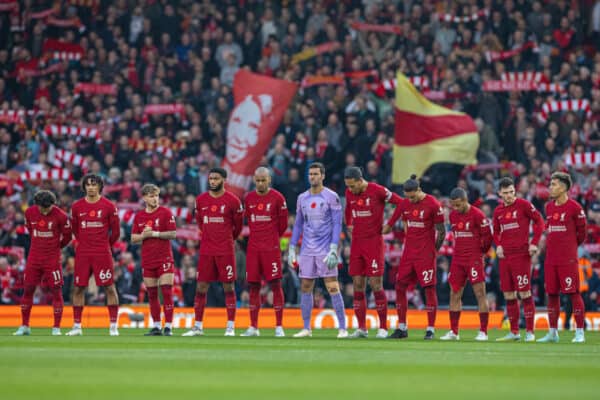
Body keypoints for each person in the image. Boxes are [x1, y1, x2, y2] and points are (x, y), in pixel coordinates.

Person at [288, 162, 348, 338]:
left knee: (332, 286)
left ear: (323, 176)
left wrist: (333, 248)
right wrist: (292, 246)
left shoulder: (332, 196)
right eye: (310, 174)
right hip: (307, 249)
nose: (312, 177)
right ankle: (306, 328)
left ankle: (343, 328)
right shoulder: (302, 198)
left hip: (325, 249)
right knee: (306, 287)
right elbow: (298, 224)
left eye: (315, 174)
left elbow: (337, 223)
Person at [344, 166, 404, 339]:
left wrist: (390, 224)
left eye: (353, 186)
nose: (351, 190)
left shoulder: (377, 191)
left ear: (360, 180)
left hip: (374, 244)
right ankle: (361, 328)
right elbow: (348, 208)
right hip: (357, 244)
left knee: (376, 285)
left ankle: (383, 328)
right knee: (357, 286)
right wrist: (348, 223)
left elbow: (401, 203)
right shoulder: (350, 193)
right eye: (348, 187)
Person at [183, 167, 243, 336]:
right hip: (207, 250)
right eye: (211, 179)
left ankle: (230, 326)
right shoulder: (201, 200)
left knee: (228, 286)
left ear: (224, 180)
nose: (213, 182)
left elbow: (237, 227)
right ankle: (198, 327)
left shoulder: (233, 201)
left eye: (216, 179)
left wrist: (227, 239)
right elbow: (200, 223)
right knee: (201, 287)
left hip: (225, 250)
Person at [390, 174, 445, 340]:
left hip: (425, 254)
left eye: (412, 196)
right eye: (407, 196)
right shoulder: (406, 203)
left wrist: (434, 250)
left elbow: (441, 231)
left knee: (429, 288)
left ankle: (430, 329)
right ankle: (402, 327)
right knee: (400, 286)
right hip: (409, 253)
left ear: (419, 190)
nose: (410, 200)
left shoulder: (433, 204)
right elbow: (406, 222)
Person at [67, 174, 121, 336]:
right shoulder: (76, 206)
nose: (91, 187)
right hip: (83, 252)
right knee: (78, 288)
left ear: (100, 186)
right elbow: (75, 230)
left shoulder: (109, 206)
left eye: (94, 184)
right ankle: (77, 326)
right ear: (84, 187)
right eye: (88, 184)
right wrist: (83, 243)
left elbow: (116, 232)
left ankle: (113, 327)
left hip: (102, 252)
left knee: (109, 287)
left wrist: (105, 246)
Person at [492, 176, 544, 342]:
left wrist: (534, 242)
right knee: (508, 294)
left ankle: (530, 332)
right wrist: (498, 245)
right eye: (506, 192)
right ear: (500, 193)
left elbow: (540, 222)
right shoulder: (498, 211)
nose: (509, 195)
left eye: (512, 192)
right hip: (505, 256)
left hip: (521, 255)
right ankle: (514, 332)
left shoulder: (524, 205)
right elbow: (495, 232)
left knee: (525, 293)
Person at [538, 172, 587, 343]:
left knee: (573, 293)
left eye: (554, 184)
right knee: (551, 294)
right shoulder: (549, 207)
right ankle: (553, 333)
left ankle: (579, 332)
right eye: (550, 184)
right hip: (551, 259)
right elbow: (550, 230)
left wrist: (570, 247)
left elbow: (582, 234)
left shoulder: (575, 208)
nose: (550, 187)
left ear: (565, 187)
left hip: (568, 259)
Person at [13, 190, 71, 336]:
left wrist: (56, 247)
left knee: (56, 291)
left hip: (52, 259)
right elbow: (31, 230)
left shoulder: (61, 216)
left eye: (47, 208)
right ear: (36, 205)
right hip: (34, 258)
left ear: (53, 204)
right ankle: (25, 326)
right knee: (28, 290)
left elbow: (68, 237)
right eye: (41, 208)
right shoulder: (29, 213)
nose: (44, 211)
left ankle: (56, 328)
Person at [240, 167, 288, 337]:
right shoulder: (249, 198)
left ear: (269, 180)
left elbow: (282, 226)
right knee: (253, 286)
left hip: (271, 249)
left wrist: (271, 239)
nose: (260, 183)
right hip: (253, 249)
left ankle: (279, 326)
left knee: (275, 285)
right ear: (254, 180)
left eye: (263, 180)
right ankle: (253, 327)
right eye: (258, 180)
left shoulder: (278, 198)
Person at [440, 188, 493, 341]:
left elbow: (488, 238)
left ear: (465, 200)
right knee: (454, 293)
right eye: (453, 205)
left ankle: (483, 331)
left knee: (480, 293)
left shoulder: (478, 215)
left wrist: (481, 253)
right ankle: (454, 332)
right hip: (458, 259)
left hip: (473, 258)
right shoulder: (453, 215)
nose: (455, 208)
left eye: (457, 205)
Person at [131, 184, 177, 336]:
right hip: (148, 259)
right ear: (144, 198)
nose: (155, 199)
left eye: (156, 196)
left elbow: (172, 233)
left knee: (167, 292)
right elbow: (133, 239)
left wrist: (155, 234)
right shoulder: (139, 216)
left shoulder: (165, 212)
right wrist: (144, 235)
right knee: (151, 294)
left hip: (164, 257)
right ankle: (157, 326)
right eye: (151, 196)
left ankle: (169, 326)